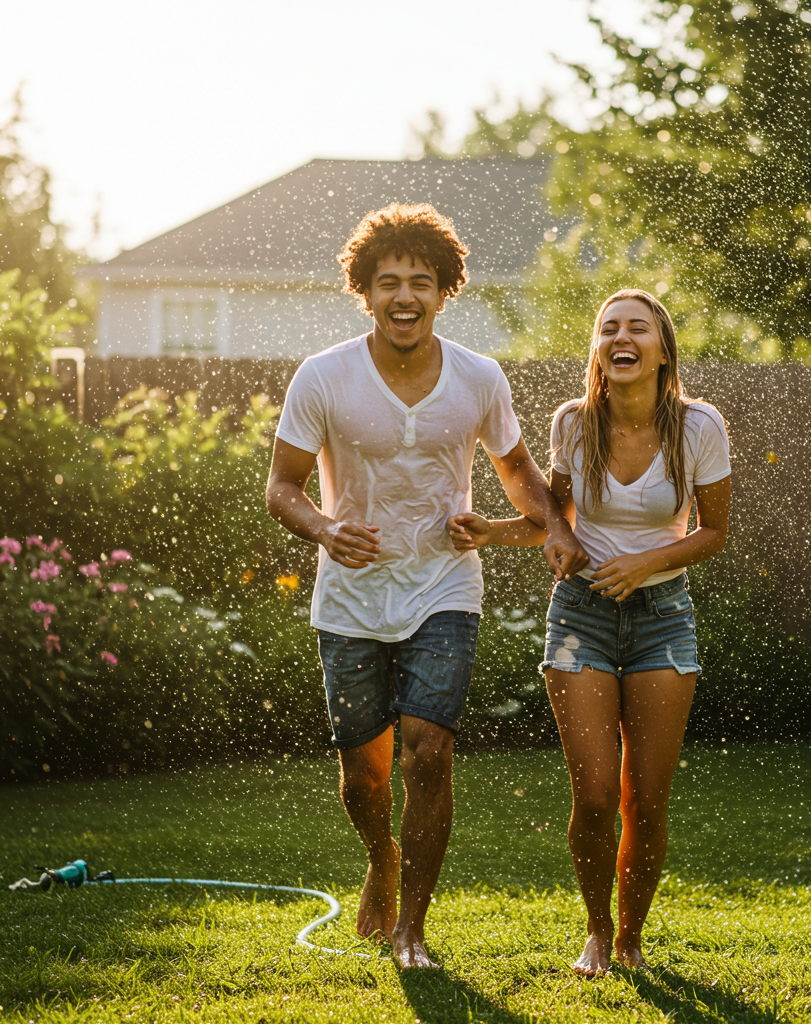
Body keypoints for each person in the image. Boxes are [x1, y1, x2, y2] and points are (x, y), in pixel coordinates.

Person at [266, 203, 588, 969]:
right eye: (388, 283)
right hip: (349, 598)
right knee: (363, 773)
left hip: (444, 587)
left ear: (446, 291)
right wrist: (323, 528)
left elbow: (518, 478)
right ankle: (382, 856)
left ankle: (413, 930)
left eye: (420, 281)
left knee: (427, 755)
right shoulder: (324, 376)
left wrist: (552, 527)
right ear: (365, 292)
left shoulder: (478, 377)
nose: (404, 296)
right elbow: (281, 486)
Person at [448, 289, 731, 975]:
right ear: (598, 349)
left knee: (647, 799)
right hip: (581, 617)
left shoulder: (699, 427)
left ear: (662, 348)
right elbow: (558, 525)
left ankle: (633, 936)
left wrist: (644, 564)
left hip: (663, 618)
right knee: (597, 793)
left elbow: (714, 533)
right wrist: (494, 529)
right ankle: (598, 931)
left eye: (637, 327)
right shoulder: (574, 423)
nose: (621, 337)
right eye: (609, 329)